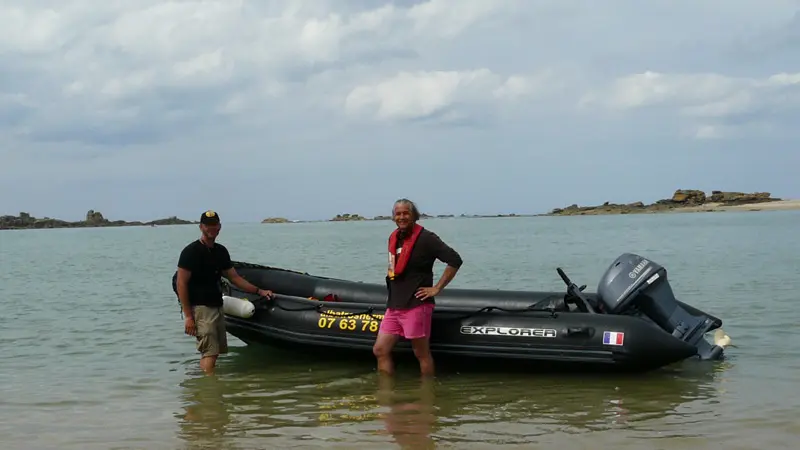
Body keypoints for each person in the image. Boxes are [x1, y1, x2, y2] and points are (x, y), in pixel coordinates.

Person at [173, 210, 273, 374]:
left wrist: (259, 291)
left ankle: (208, 383)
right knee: (210, 353)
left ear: (219, 227)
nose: (211, 228)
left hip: (217, 306)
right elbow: (181, 283)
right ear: (201, 227)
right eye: (207, 225)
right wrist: (189, 316)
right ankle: (209, 387)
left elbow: (235, 278)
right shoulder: (191, 252)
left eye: (214, 224)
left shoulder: (220, 251)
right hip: (201, 309)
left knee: (214, 352)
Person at [373, 198, 463, 377]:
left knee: (421, 353)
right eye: (398, 214)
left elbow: (455, 260)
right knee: (380, 350)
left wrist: (437, 288)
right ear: (393, 217)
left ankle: (426, 391)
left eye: (406, 213)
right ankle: (385, 391)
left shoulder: (427, 238)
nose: (402, 217)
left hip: (416, 304)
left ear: (414, 215)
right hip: (394, 305)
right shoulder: (394, 237)